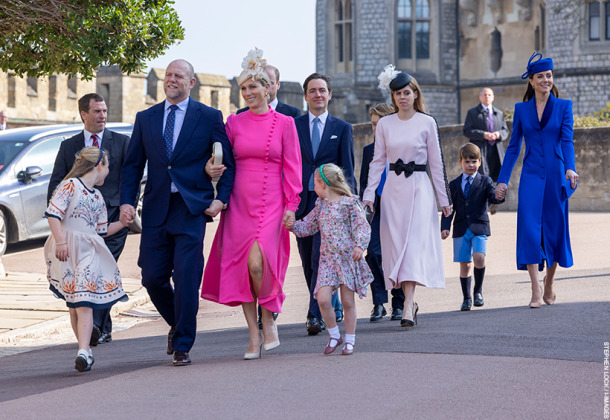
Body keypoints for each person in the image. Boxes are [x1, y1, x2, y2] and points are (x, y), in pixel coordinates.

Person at [120, 59, 235, 366]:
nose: (171, 79)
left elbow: (228, 163)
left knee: (186, 277)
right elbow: (133, 165)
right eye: (168, 75)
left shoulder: (209, 116)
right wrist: (127, 201)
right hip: (156, 209)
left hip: (190, 209)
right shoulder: (146, 118)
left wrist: (220, 199)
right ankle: (177, 322)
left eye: (178, 76)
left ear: (191, 83)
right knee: (152, 277)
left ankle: (183, 344)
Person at [201, 48, 302, 360]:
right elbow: (223, 160)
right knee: (244, 266)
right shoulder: (233, 122)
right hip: (239, 201)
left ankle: (268, 318)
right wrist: (210, 169)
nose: (247, 93)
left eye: (253, 87)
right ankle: (253, 334)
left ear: (267, 88)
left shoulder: (286, 122)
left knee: (260, 263)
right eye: (243, 88)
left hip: (272, 200)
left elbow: (293, 166)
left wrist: (291, 204)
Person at [363, 65, 452, 328]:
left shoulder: (427, 122)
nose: (402, 97)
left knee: (413, 246)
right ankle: (408, 301)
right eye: (397, 94)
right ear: (392, 97)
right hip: (392, 192)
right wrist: (369, 195)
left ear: (415, 94)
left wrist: (444, 200)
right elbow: (377, 162)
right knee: (395, 247)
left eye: (406, 92)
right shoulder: (385, 125)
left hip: (420, 190)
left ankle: (407, 305)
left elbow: (436, 164)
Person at [495, 52, 578, 308]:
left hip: (556, 174)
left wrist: (571, 169)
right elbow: (512, 147)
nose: (545, 80)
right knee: (529, 228)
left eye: (549, 76)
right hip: (530, 174)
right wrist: (502, 180)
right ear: (531, 81)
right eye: (540, 76)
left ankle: (550, 281)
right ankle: (534, 286)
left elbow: (566, 140)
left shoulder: (563, 106)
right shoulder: (521, 110)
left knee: (554, 229)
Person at [48, 93, 130, 346]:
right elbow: (56, 182)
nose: (102, 116)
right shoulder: (69, 145)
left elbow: (130, 178)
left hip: (111, 219)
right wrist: (59, 226)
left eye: (105, 111)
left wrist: (128, 208)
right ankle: (97, 328)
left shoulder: (122, 142)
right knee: (85, 276)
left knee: (101, 269)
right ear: (84, 114)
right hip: (78, 227)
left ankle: (96, 326)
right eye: (97, 111)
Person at [44, 147, 129, 372]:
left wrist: (121, 223)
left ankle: (82, 351)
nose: (109, 172)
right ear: (99, 165)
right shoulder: (69, 186)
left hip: (89, 251)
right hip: (66, 249)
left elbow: (100, 230)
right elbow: (53, 214)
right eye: (108, 166)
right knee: (73, 304)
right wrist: (61, 241)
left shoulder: (98, 196)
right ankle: (86, 352)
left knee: (82, 301)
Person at [294, 73, 357, 335]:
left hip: (329, 205)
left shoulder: (341, 128)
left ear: (329, 94)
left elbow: (348, 170)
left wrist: (349, 205)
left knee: (320, 260)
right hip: (301, 201)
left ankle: (314, 315)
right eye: (312, 90)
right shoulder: (293, 126)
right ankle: (329, 305)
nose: (318, 94)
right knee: (307, 258)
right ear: (306, 95)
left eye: (322, 90)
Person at [288, 164, 373, 355]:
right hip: (327, 262)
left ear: (323, 184)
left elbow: (363, 226)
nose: (313, 188)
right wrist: (293, 226)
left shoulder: (350, 203)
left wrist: (359, 245)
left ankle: (349, 339)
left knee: (347, 301)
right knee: (323, 299)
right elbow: (308, 226)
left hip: (347, 260)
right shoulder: (321, 206)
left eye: (314, 184)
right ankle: (335, 335)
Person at [441, 143, 504, 311]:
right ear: (460, 162)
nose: (471, 165)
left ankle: (478, 291)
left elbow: (492, 197)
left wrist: (499, 196)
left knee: (479, 257)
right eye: (467, 161)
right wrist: (445, 226)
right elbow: (449, 207)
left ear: (480, 162)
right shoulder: (453, 184)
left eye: (474, 161)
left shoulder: (485, 181)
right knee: (465, 264)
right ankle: (467, 298)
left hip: (479, 227)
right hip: (461, 227)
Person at [359, 103, 405, 322]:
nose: (375, 128)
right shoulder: (369, 150)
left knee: (398, 254)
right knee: (374, 253)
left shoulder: (403, 148)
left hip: (398, 208)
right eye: (373, 124)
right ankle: (379, 302)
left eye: (379, 123)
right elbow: (363, 183)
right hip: (375, 210)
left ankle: (400, 302)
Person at [463, 88, 509, 214]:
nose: (487, 97)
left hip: (496, 151)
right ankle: (486, 205)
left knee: (496, 178)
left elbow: (506, 131)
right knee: (482, 178)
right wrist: (484, 134)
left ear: (493, 97)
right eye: (485, 95)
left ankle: (493, 201)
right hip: (480, 151)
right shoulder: (473, 112)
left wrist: (498, 134)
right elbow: (467, 130)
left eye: (489, 95)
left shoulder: (498, 114)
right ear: (480, 97)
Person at [237, 65, 302, 118]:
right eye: (262, 83)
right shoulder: (240, 114)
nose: (266, 87)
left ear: (278, 85)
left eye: (271, 83)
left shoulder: (293, 114)